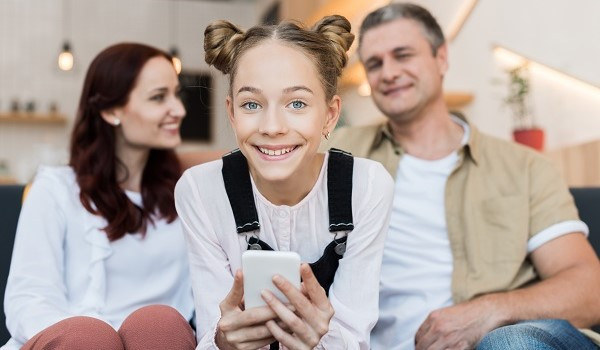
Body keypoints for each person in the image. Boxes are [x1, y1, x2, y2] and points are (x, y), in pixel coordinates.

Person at [324, 3, 600, 350]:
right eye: (375, 63)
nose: (388, 73)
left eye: (403, 55)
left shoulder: (523, 166)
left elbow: (589, 288)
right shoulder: (336, 153)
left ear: (441, 58)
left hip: (503, 341)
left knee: (512, 343)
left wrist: (489, 311)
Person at [175, 15, 394, 349]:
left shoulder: (366, 187)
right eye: (252, 104)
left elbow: (353, 338)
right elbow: (211, 330)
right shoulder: (200, 191)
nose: (272, 126)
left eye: (297, 103)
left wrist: (323, 340)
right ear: (232, 114)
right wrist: (223, 340)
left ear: (330, 115)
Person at [3, 43, 196, 350]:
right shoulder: (55, 188)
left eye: (177, 94)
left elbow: (239, 157)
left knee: (161, 325)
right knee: (88, 338)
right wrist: (99, 341)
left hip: (157, 341)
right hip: (71, 341)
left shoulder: (186, 192)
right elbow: (29, 299)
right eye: (159, 97)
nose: (179, 110)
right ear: (110, 110)